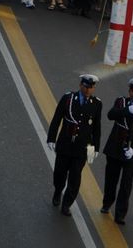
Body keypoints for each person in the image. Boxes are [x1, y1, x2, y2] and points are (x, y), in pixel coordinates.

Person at [47, 74, 102, 217]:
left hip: (81, 148)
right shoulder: (68, 98)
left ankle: (67, 204)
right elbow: (57, 118)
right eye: (86, 87)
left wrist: (96, 146)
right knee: (59, 173)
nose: (88, 90)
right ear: (80, 85)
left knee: (75, 177)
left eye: (91, 87)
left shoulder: (97, 104)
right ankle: (58, 191)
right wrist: (51, 138)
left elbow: (96, 127)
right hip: (65, 144)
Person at [101, 76, 133, 224]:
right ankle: (107, 203)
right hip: (115, 148)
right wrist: (126, 110)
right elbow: (111, 115)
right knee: (111, 180)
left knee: (126, 184)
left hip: (130, 153)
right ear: (129, 92)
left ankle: (120, 214)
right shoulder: (121, 102)